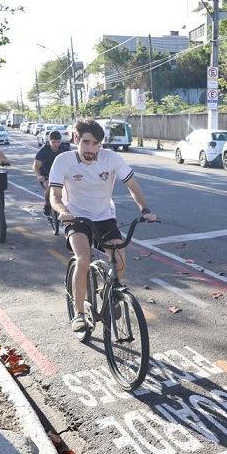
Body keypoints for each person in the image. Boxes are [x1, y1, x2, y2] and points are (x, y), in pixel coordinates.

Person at [49, 118, 157, 333]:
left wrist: (145, 210)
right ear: (77, 139)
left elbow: (133, 186)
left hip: (104, 216)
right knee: (83, 258)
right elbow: (55, 195)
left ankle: (109, 292)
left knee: (120, 261)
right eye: (87, 142)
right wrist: (63, 212)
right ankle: (79, 314)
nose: (91, 148)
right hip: (76, 218)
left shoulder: (111, 159)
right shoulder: (63, 160)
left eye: (96, 143)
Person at [32, 129, 71, 218]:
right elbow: (35, 166)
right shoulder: (43, 150)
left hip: (60, 174)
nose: (56, 145)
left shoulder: (65, 149)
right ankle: (47, 204)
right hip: (46, 175)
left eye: (58, 142)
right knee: (49, 187)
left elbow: (73, 162)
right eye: (53, 142)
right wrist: (39, 176)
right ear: (49, 141)